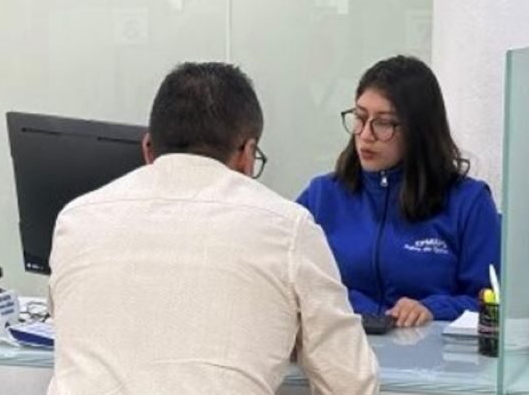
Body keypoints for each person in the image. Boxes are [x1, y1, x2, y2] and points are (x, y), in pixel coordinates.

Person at [48, 62, 378, 395]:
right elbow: (349, 382)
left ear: (148, 148)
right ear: (248, 154)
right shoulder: (288, 228)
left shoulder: (76, 220)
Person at [297, 55, 500, 327]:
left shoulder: (469, 203)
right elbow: (285, 276)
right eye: (360, 118)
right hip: (342, 345)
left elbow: (489, 300)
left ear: (418, 130)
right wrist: (345, 303)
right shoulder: (322, 196)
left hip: (430, 350)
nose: (366, 135)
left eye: (383, 123)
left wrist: (433, 308)